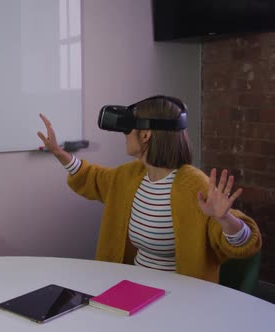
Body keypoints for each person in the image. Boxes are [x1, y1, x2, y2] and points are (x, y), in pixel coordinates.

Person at [37, 95, 261, 282]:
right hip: (134, 286)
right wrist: (59, 152)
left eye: (128, 130)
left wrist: (224, 219)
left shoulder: (194, 186)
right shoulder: (129, 176)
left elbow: (247, 245)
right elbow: (92, 177)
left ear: (145, 134)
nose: (125, 136)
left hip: (181, 298)